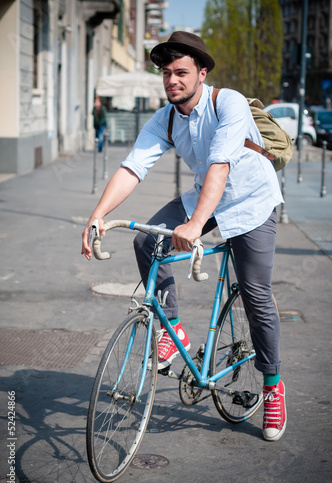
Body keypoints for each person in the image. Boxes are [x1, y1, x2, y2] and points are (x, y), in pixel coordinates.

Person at [82, 31, 286, 442]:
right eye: (166, 73)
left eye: (181, 72)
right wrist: (98, 215)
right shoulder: (167, 118)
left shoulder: (226, 102)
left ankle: (273, 385)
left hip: (250, 200)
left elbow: (220, 165)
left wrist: (194, 225)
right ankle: (173, 332)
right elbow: (133, 167)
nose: (172, 80)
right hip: (204, 195)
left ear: (201, 73)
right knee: (146, 240)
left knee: (255, 293)